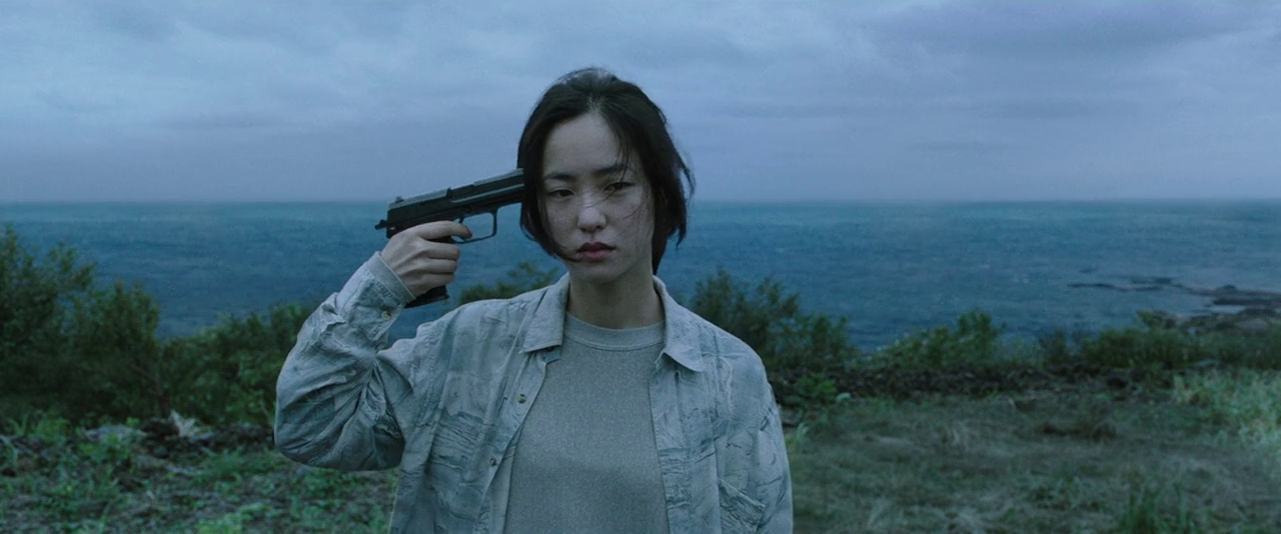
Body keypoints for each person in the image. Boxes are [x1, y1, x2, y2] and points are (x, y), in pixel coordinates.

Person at [274, 67, 792, 533]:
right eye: (561, 192)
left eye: (616, 186)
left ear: (659, 193)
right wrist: (380, 286)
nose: (588, 217)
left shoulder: (729, 375)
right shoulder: (468, 348)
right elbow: (310, 429)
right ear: (537, 207)